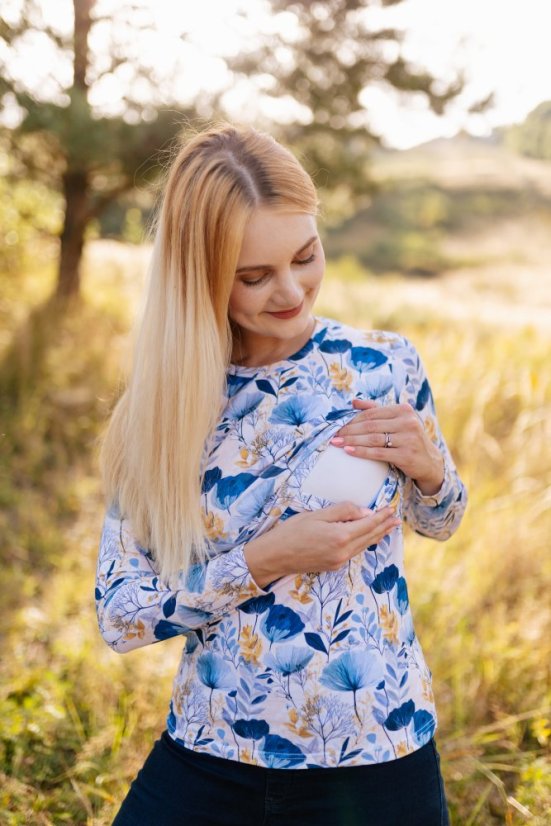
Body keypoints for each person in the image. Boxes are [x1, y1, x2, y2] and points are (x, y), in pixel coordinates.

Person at [96, 123, 467, 826]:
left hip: (377, 750)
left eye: (305, 256)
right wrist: (265, 560)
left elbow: (442, 521)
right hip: (213, 752)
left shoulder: (383, 364)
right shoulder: (164, 407)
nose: (292, 291)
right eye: (254, 276)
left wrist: (430, 469)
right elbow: (120, 614)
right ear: (200, 276)